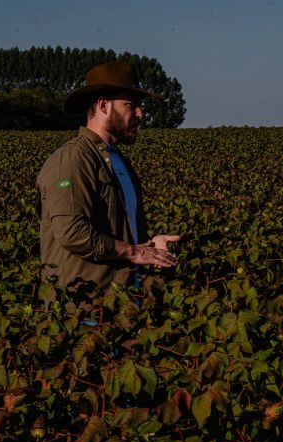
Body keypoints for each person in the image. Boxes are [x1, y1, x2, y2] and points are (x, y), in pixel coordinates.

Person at [37, 61, 179, 307]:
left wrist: (149, 245)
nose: (140, 114)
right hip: (84, 309)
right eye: (131, 105)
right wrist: (136, 252)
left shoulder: (119, 161)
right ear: (103, 105)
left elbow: (120, 233)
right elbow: (73, 233)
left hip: (121, 304)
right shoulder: (73, 158)